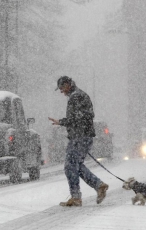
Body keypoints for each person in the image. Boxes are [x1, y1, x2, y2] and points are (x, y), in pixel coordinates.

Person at [48, 76, 109, 207]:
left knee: (70, 166)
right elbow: (85, 116)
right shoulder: (80, 95)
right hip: (84, 136)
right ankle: (99, 186)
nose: (61, 91)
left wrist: (61, 122)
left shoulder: (75, 97)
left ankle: (76, 197)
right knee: (77, 165)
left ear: (68, 85)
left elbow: (76, 118)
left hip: (79, 137)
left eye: (61, 88)